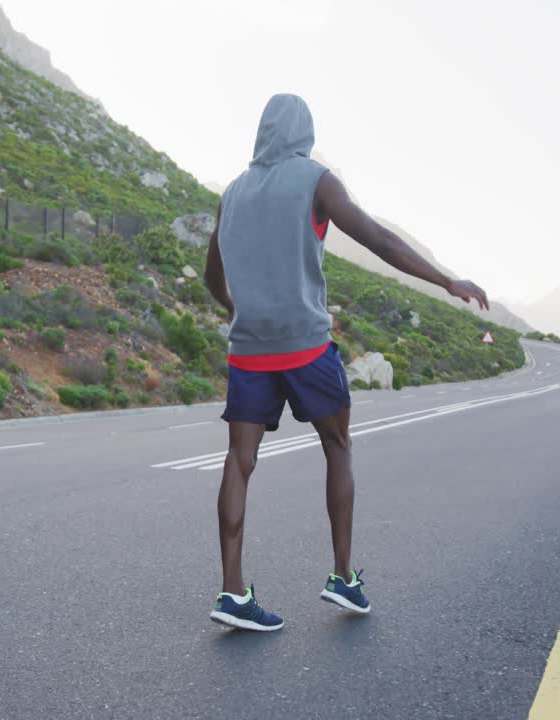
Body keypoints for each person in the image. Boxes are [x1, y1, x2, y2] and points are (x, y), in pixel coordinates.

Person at [203, 94, 490, 631]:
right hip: (307, 347)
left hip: (249, 351)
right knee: (337, 446)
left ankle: (231, 592)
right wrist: (446, 281)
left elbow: (211, 275)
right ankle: (341, 578)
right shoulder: (315, 180)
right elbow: (377, 239)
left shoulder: (233, 194)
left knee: (238, 463)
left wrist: (238, 312)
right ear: (303, 133)